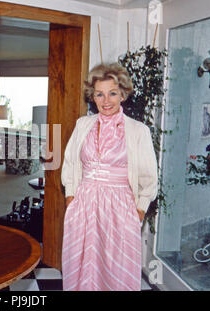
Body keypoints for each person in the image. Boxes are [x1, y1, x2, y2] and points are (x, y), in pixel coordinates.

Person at [61, 63, 158, 291]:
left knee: (117, 271)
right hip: (84, 206)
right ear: (92, 97)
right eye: (99, 94)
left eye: (112, 93)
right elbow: (71, 164)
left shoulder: (138, 130)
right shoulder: (83, 124)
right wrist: (71, 197)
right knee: (82, 267)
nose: (106, 101)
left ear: (122, 94)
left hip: (120, 209)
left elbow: (149, 178)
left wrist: (140, 210)